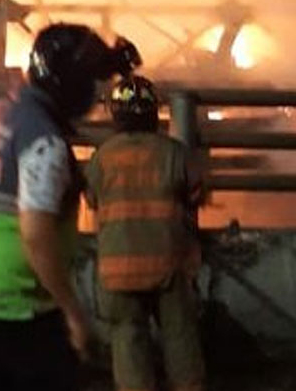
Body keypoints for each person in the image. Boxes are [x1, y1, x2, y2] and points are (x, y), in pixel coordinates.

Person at [0, 24, 141, 391]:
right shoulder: (43, 142)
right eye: (92, 82)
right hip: (12, 303)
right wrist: (72, 312)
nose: (96, 93)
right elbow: (35, 235)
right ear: (70, 84)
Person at [84, 75, 206, 391]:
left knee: (127, 342)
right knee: (180, 340)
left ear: (115, 113)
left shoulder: (102, 157)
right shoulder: (175, 153)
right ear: (154, 112)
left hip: (117, 269)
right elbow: (198, 194)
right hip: (169, 265)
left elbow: (92, 199)